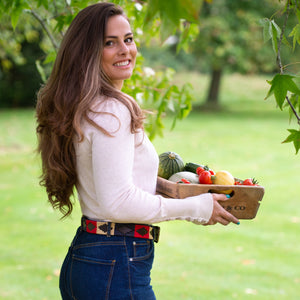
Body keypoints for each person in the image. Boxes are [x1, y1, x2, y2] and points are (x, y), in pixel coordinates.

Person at [36, 2, 239, 299]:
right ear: (88, 52)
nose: (125, 50)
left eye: (128, 39)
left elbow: (112, 185)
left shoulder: (86, 107)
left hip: (95, 259)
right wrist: (195, 208)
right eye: (109, 43)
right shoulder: (112, 112)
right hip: (115, 264)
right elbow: (117, 202)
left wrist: (182, 190)